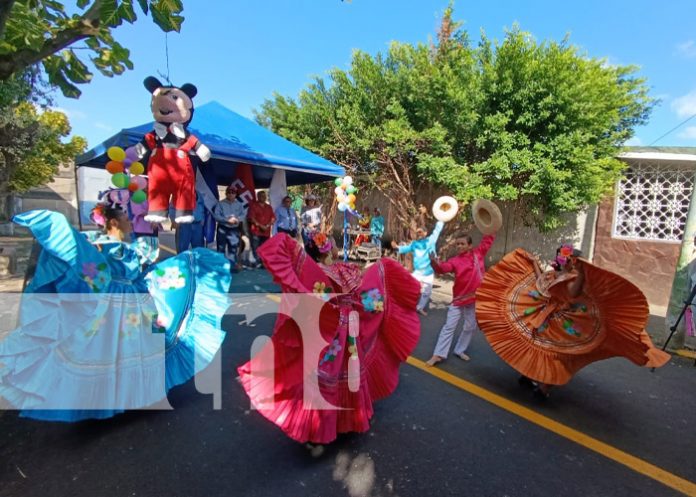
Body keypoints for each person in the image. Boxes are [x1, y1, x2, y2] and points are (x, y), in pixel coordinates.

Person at [0, 205, 231, 421]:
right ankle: (114, 397)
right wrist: (53, 222)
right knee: (114, 352)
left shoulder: (137, 246)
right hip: (113, 307)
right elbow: (82, 260)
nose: (130, 222)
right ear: (112, 222)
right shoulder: (96, 245)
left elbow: (143, 271)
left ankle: (145, 394)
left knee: (145, 349)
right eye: (125, 218)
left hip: (140, 302)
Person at [237, 231, 421, 445]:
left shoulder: (314, 271)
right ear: (327, 249)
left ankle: (320, 427)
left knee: (324, 375)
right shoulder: (343, 270)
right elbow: (364, 295)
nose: (335, 246)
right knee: (349, 373)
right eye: (332, 244)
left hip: (326, 330)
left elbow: (283, 250)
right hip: (348, 329)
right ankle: (346, 420)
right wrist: (382, 271)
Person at [475, 244, 671, 400]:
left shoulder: (576, 277)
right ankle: (530, 376)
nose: (563, 260)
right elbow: (542, 281)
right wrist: (534, 263)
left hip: (564, 323)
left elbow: (572, 293)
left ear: (575, 262)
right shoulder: (557, 273)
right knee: (538, 347)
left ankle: (544, 386)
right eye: (562, 256)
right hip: (549, 317)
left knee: (556, 354)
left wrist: (583, 273)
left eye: (567, 258)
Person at [425, 232, 496, 366]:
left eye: (462, 243)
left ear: (470, 245)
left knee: (470, 326)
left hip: (475, 298)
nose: (459, 246)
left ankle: (460, 350)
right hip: (458, 299)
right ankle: (437, 355)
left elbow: (488, 238)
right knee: (449, 326)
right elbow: (442, 268)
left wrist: (491, 226)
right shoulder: (454, 261)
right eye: (457, 244)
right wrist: (434, 263)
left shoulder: (478, 253)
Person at [391, 220, 444, 316]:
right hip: (417, 273)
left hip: (428, 273)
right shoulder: (414, 244)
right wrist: (396, 247)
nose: (418, 234)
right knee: (408, 288)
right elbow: (404, 249)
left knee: (426, 293)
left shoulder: (431, 240)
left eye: (420, 232)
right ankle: (402, 306)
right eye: (417, 232)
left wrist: (442, 217)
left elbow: (437, 229)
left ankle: (419, 308)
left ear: (425, 233)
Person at [213, 185, 246, 269]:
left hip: (234, 230)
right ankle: (221, 267)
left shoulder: (239, 204)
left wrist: (237, 219)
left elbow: (243, 214)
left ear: (236, 194)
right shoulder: (220, 204)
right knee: (221, 249)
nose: (231, 194)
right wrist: (227, 220)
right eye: (229, 192)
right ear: (226, 193)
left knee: (233, 249)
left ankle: (231, 267)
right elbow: (216, 215)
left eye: (233, 193)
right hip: (223, 228)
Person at [247, 190, 276, 268]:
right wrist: (260, 226)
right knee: (255, 248)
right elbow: (251, 218)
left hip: (266, 232)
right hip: (256, 231)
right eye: (261, 196)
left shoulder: (269, 207)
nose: (263, 197)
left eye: (264, 196)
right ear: (258, 197)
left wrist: (268, 225)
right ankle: (256, 263)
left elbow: (273, 218)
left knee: (265, 248)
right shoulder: (253, 206)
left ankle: (263, 263)